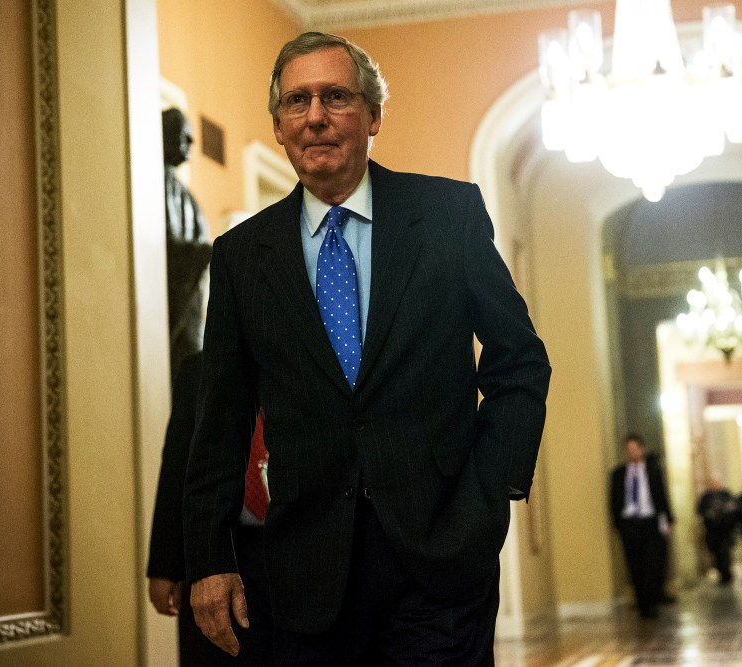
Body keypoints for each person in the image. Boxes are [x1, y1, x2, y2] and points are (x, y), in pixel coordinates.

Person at [182, 31, 551, 665]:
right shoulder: (244, 257)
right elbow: (222, 421)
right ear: (278, 125)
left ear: (374, 114)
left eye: (336, 96)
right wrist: (209, 559)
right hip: (307, 573)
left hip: (442, 559)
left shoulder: (446, 215)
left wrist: (491, 487)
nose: (316, 116)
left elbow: (518, 360)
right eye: (297, 101)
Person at [147, 352, 272, 665]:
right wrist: (166, 565)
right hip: (223, 546)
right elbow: (179, 466)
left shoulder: (309, 358)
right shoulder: (199, 370)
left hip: (296, 547)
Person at [162, 107, 213, 381]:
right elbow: (161, 249)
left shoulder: (185, 196)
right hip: (167, 306)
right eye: (183, 134)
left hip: (191, 304)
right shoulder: (150, 185)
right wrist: (203, 253)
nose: (191, 142)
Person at [609, 433, 674, 619]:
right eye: (628, 449)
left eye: (635, 448)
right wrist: (618, 524)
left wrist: (668, 520)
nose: (631, 453)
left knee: (653, 564)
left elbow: (662, 497)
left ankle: (652, 602)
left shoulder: (653, 471)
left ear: (641, 449)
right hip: (629, 524)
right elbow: (614, 501)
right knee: (634, 565)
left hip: (650, 522)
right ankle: (642, 604)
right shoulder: (618, 474)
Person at [696, 477, 740, 584]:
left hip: (725, 530)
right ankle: (722, 573)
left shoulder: (725, 494)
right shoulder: (706, 497)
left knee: (725, 552)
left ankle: (727, 573)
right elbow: (700, 510)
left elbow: (734, 507)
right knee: (716, 553)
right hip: (712, 531)